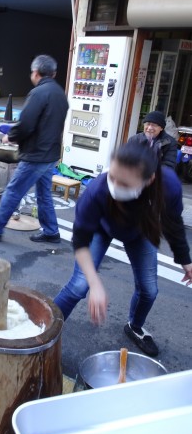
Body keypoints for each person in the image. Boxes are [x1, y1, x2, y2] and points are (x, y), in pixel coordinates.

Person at [53, 140, 192, 357]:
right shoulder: (97, 190)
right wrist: (95, 283)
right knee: (79, 286)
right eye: (113, 177)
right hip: (101, 228)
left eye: (125, 184)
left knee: (149, 290)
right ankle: (44, 329)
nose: (115, 186)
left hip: (139, 233)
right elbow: (80, 241)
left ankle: (135, 327)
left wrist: (186, 260)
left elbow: (172, 224)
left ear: (150, 180)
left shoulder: (169, 186)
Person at [0, 54, 68, 243]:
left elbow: (26, 123)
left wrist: (11, 136)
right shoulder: (60, 94)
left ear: (35, 72)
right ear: (54, 73)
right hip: (51, 155)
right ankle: (51, 231)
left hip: (35, 154)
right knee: (43, 194)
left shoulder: (38, 94)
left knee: (14, 190)